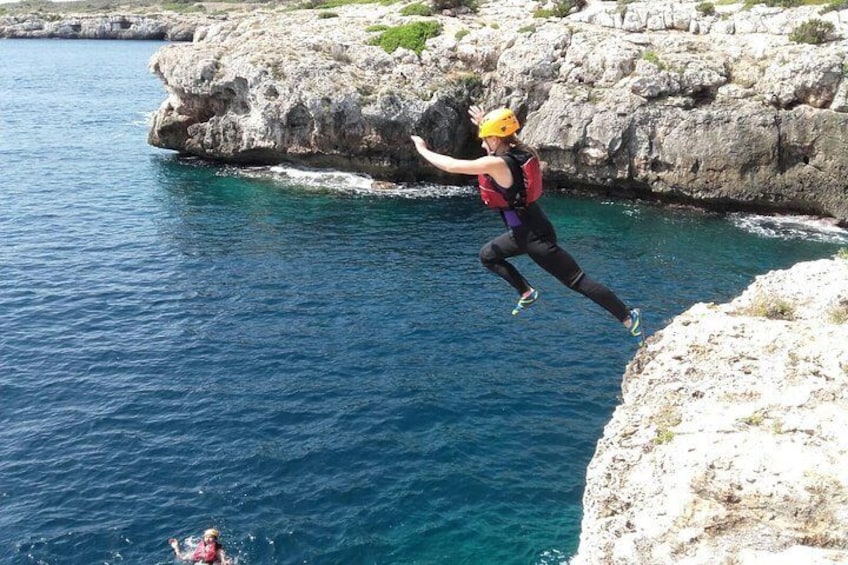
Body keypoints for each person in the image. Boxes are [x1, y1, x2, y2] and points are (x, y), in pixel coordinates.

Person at [410, 105, 642, 341]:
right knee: (488, 255)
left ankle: (626, 316)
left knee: (577, 281)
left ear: (495, 138)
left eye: (484, 139)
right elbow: (504, 138)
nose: (481, 145)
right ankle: (526, 291)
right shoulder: (521, 151)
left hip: (534, 238)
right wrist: (484, 124)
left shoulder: (498, 165)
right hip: (526, 230)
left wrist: (422, 149)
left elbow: (451, 165)